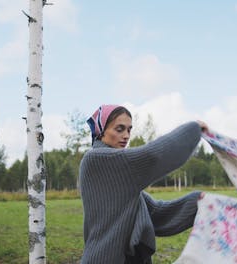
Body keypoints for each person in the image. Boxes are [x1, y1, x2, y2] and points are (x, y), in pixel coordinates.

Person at [79, 104, 208, 264]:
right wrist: (193, 129)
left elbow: (156, 214)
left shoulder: (121, 177)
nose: (126, 136)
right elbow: (152, 156)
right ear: (101, 131)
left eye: (129, 130)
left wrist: (199, 202)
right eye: (119, 129)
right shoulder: (96, 159)